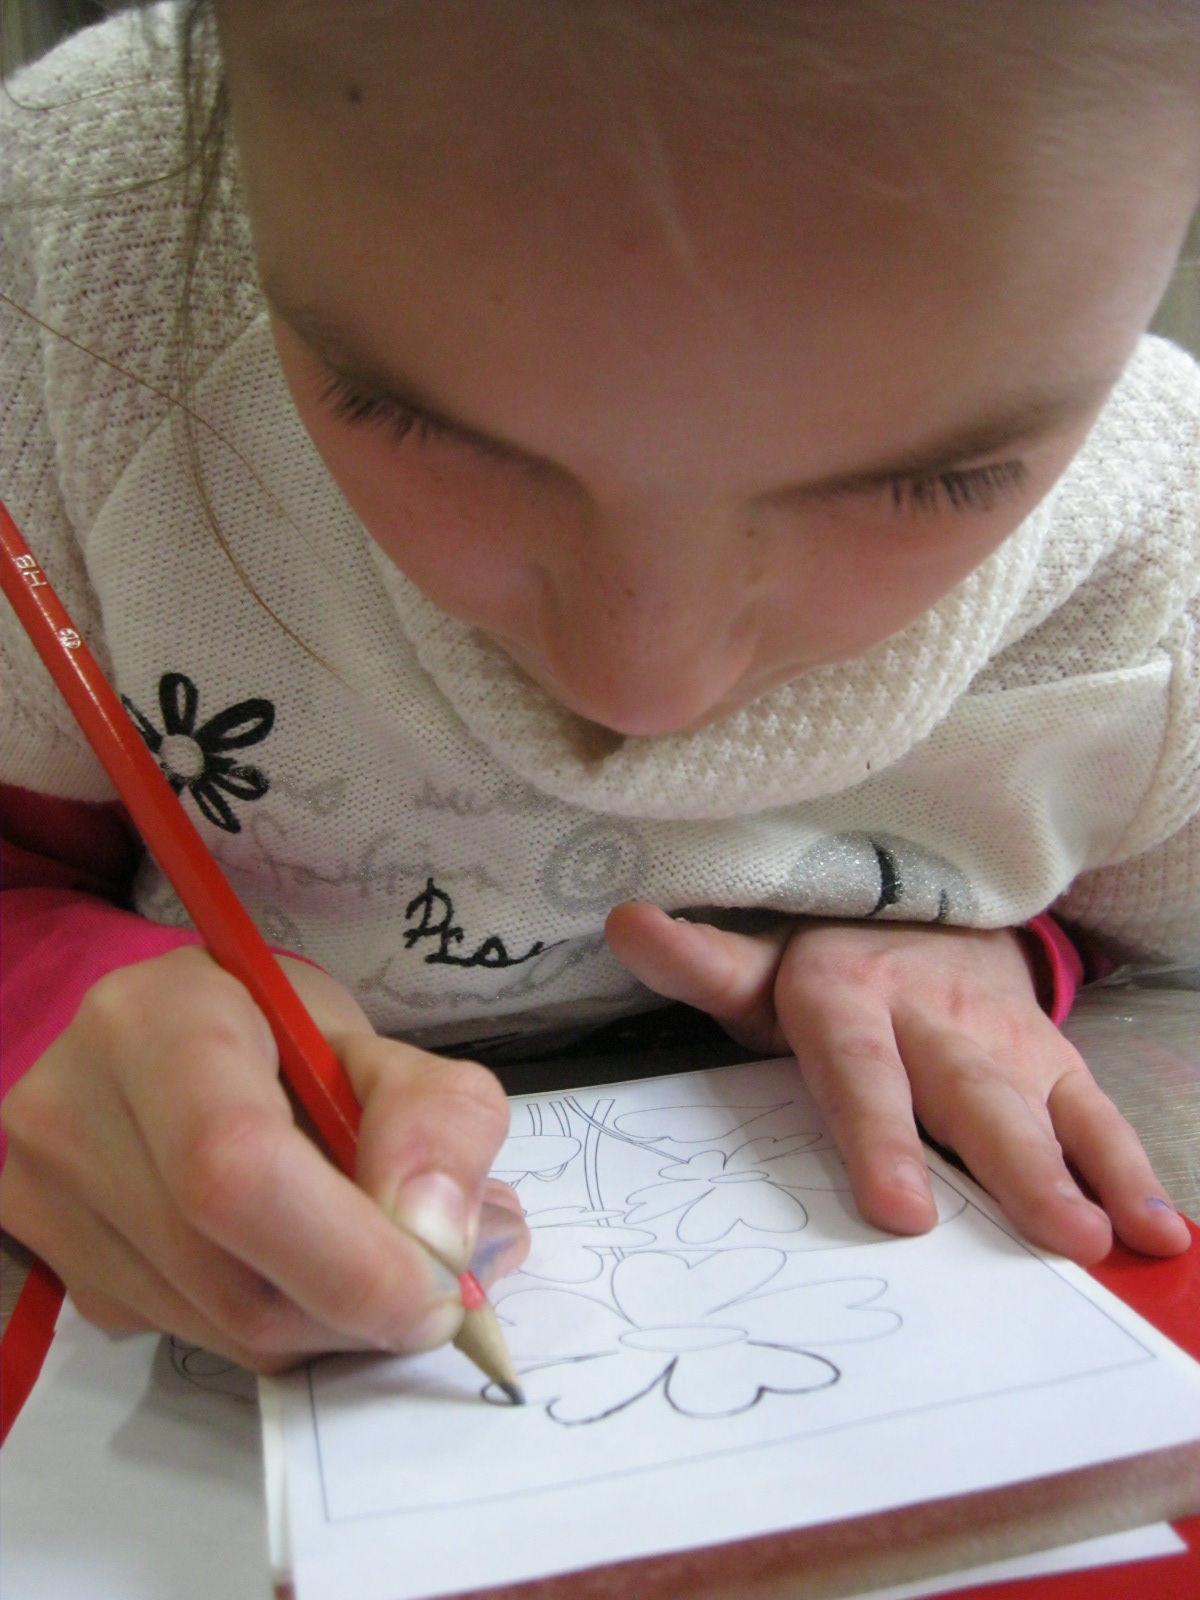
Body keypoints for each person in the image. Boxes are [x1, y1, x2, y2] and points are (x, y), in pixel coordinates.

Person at [1, 0, 1197, 1375]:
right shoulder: (76, 312)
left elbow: (1163, 940)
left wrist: (1006, 947)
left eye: (937, 484)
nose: (642, 686)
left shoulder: (1152, 573)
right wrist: (44, 1010)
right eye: (408, 418)